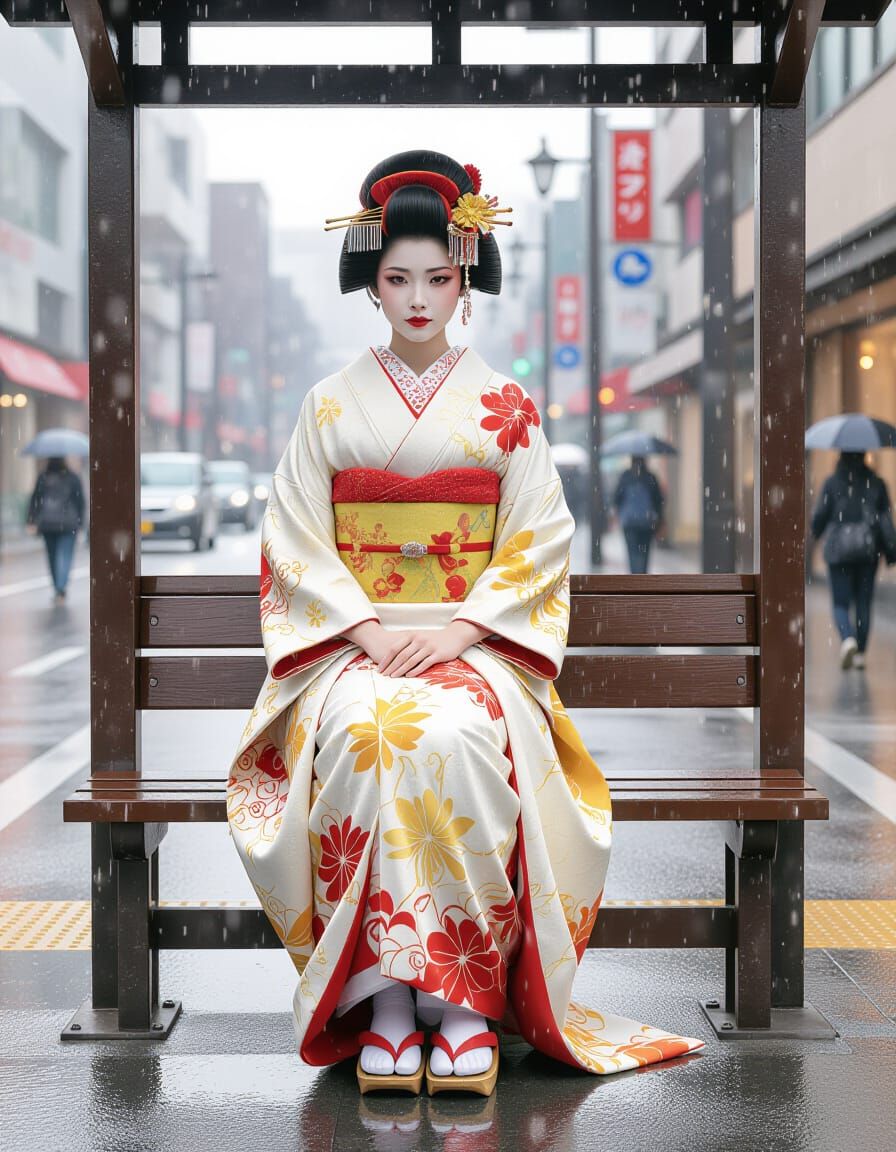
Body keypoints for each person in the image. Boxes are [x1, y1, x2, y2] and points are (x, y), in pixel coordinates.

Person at [226, 150, 703, 1096]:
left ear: (465, 281)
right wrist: (367, 632)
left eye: (437, 279)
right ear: (371, 283)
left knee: (457, 735)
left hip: (475, 646)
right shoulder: (328, 404)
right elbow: (295, 537)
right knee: (363, 736)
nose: (417, 299)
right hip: (354, 647)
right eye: (397, 278)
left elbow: (539, 538)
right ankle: (388, 1003)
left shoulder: (506, 407)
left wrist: (457, 633)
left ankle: (461, 1003)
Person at [810, 450, 896, 669]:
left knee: (840, 603)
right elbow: (886, 520)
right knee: (863, 603)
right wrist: (890, 551)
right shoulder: (877, 483)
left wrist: (815, 535)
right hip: (867, 552)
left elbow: (819, 518)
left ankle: (847, 638)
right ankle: (860, 653)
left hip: (839, 553)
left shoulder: (832, 483)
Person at [25, 456, 85, 603]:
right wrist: (81, 523)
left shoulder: (43, 477)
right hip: (68, 524)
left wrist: (31, 520)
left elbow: (35, 499)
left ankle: (57, 587)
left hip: (48, 523)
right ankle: (60, 587)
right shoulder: (73, 478)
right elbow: (80, 502)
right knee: (65, 556)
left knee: (52, 557)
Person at [612, 455, 664, 573]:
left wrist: (618, 514)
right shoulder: (650, 477)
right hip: (647, 522)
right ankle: (642, 577)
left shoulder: (626, 476)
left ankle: (634, 577)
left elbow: (616, 498)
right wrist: (659, 520)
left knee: (632, 553)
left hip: (629, 523)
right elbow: (658, 501)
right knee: (644, 553)